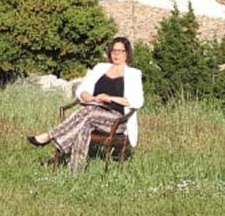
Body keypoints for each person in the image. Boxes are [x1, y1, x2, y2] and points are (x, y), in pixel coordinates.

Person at [27, 36, 144, 172]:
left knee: (87, 113)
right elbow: (82, 90)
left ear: (127, 53)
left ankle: (50, 136)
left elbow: (137, 101)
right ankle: (75, 171)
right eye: (113, 51)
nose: (116, 54)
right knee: (85, 123)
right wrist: (89, 97)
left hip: (116, 119)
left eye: (120, 51)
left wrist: (110, 98)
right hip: (94, 110)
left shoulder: (133, 74)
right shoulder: (101, 68)